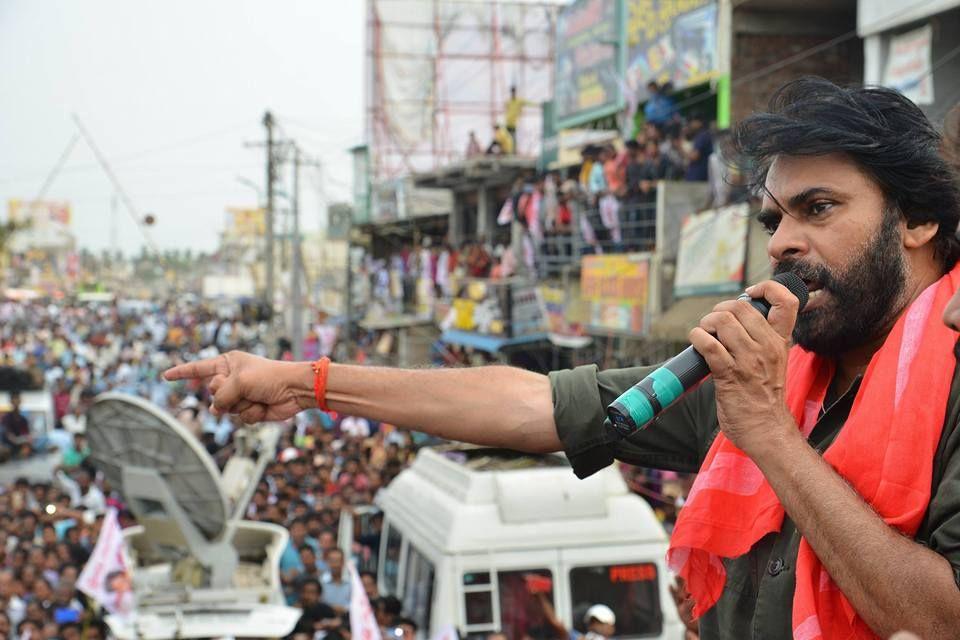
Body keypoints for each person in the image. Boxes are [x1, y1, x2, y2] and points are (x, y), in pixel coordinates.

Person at [165, 77, 960, 639]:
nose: (784, 240)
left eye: (820, 209)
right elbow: (528, 404)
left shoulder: (927, 382)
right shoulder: (763, 370)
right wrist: (308, 383)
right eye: (774, 218)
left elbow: (942, 616)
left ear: (917, 218)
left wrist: (769, 435)